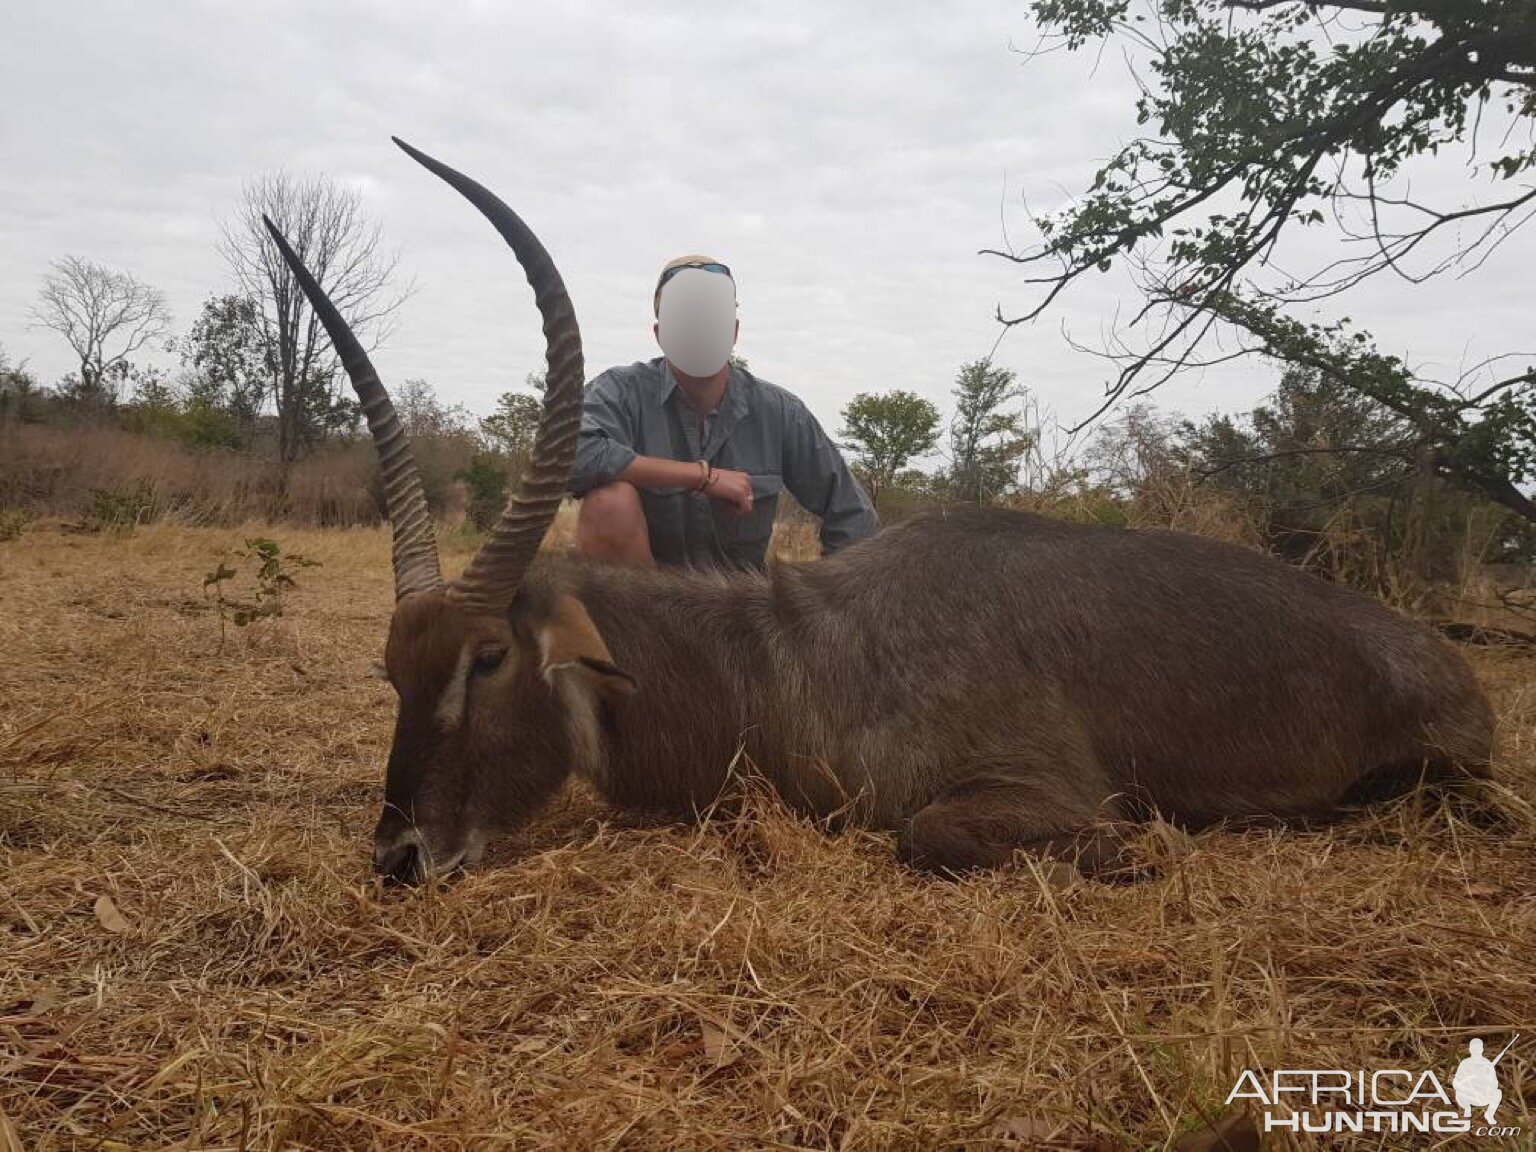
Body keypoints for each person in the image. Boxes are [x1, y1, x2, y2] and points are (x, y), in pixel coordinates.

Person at [570, 254, 876, 571]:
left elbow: (854, 515)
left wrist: (821, 604)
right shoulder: (619, 391)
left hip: (742, 610)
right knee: (609, 504)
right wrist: (703, 477)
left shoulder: (782, 412)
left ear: (734, 331)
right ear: (660, 334)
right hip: (644, 608)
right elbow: (572, 456)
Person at [1453, 1038, 1504, 1124]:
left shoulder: (1487, 1064)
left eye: (1478, 1048)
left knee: (1498, 1093)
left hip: (1483, 1096)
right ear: (1470, 1049)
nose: (1476, 1051)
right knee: (1458, 1092)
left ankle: (1489, 1114)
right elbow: (1456, 1082)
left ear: (1482, 1049)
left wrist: (1487, 1080)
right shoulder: (1465, 1063)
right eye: (1474, 1048)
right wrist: (1468, 1081)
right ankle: (1467, 1109)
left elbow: (1494, 1083)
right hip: (1468, 1096)